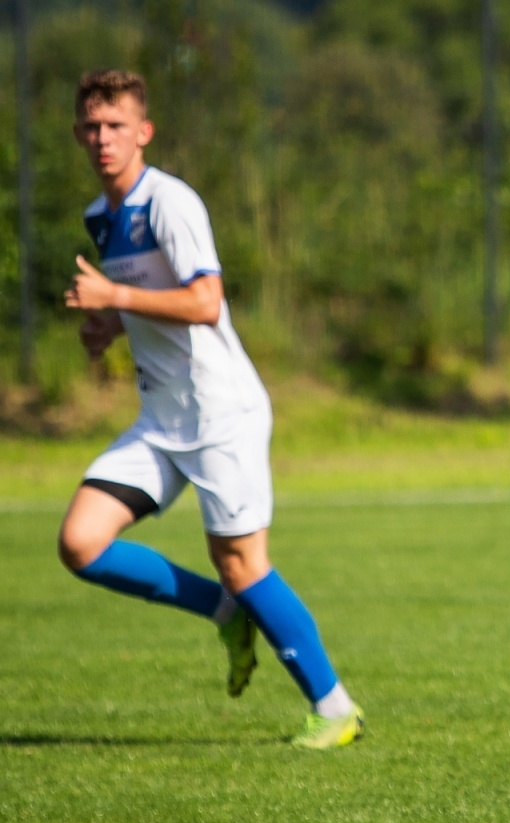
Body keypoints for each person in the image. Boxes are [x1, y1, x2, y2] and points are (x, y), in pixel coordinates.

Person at [59, 69, 364, 750]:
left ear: (144, 131)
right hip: (161, 419)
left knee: (244, 562)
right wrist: (104, 327)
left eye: (116, 126)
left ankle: (336, 708)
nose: (103, 138)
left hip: (219, 413)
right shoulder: (98, 218)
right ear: (79, 133)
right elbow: (138, 302)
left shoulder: (169, 203)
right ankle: (225, 613)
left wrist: (117, 300)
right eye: (91, 126)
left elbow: (204, 303)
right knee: (80, 542)